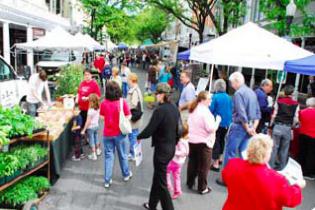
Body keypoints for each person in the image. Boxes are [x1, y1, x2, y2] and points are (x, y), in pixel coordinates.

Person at [222, 134, 305, 210]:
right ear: (266, 154)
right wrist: (298, 186)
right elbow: (291, 200)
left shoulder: (233, 165)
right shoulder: (276, 180)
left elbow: (225, 177)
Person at [137, 83, 179, 210]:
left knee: (162, 183)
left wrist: (138, 136)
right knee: (158, 178)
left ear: (162, 95)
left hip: (162, 150)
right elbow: (178, 129)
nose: (155, 97)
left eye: (157, 94)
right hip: (170, 147)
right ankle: (152, 204)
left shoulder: (160, 110)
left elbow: (149, 130)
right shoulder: (173, 107)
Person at [217, 72, 261, 186]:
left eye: (232, 82)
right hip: (250, 125)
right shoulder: (252, 92)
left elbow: (241, 113)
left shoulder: (238, 93)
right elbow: (257, 112)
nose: (231, 85)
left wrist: (247, 127)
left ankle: (226, 178)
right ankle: (243, 178)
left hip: (240, 126)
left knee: (230, 152)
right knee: (244, 154)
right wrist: (252, 128)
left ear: (236, 81)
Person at [187, 91, 221, 194]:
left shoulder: (194, 108)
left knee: (192, 162)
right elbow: (211, 128)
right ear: (203, 100)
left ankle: (190, 182)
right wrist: (217, 121)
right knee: (204, 166)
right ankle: (202, 187)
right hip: (204, 142)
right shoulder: (205, 112)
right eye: (209, 98)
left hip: (192, 140)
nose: (211, 100)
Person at [100, 81, 133, 188]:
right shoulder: (122, 102)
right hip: (120, 133)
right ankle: (126, 174)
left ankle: (107, 180)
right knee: (123, 155)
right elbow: (128, 116)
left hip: (107, 134)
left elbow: (102, 117)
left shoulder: (104, 103)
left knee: (109, 157)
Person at [269, 85, 299, 170]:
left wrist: (270, 126)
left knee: (274, 148)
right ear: (292, 93)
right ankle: (282, 168)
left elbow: (274, 115)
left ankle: (271, 167)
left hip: (278, 126)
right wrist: (292, 126)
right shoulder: (296, 104)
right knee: (284, 149)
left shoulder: (279, 102)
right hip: (287, 128)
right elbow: (296, 119)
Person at [209, 79, 232, 172]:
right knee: (222, 140)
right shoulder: (229, 97)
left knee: (216, 141)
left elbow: (211, 109)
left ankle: (215, 163)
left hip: (217, 122)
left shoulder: (215, 97)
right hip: (227, 122)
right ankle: (220, 157)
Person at [166, 123, 189, 200]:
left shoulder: (180, 141)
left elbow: (183, 152)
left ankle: (168, 185)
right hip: (180, 162)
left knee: (166, 172)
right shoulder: (186, 140)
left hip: (174, 161)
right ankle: (177, 191)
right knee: (176, 176)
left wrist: (174, 152)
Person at [127, 73, 143, 161]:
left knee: (133, 135)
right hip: (136, 118)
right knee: (134, 135)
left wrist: (125, 108)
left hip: (133, 117)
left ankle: (133, 154)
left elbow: (133, 104)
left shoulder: (134, 91)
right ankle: (133, 153)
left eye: (128, 79)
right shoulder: (136, 89)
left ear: (131, 80)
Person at [298, 97, 315, 180]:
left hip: (302, 133)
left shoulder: (301, 112)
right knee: (311, 154)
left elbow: (299, 121)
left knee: (302, 152)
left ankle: (300, 169)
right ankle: (307, 172)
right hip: (313, 135)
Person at [81, 94, 101, 161]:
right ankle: (98, 150)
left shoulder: (90, 111)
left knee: (91, 140)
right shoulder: (97, 108)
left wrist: (84, 130)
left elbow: (88, 121)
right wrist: (87, 98)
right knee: (96, 137)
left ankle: (93, 154)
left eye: (89, 101)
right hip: (96, 125)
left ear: (91, 102)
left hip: (91, 127)